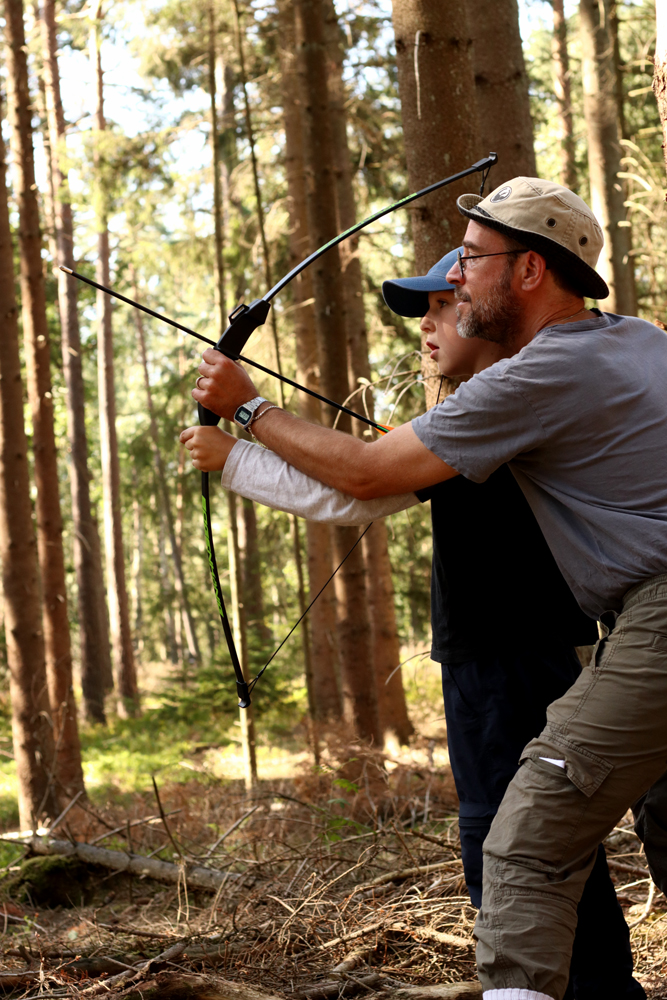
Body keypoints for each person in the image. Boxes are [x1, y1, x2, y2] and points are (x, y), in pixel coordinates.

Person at [186, 176, 667, 1000]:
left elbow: (363, 480)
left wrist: (247, 417)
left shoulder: (524, 387)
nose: (449, 290)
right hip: (621, 631)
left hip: (573, 643)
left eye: (466, 266)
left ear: (527, 272)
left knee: (522, 836)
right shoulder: (636, 340)